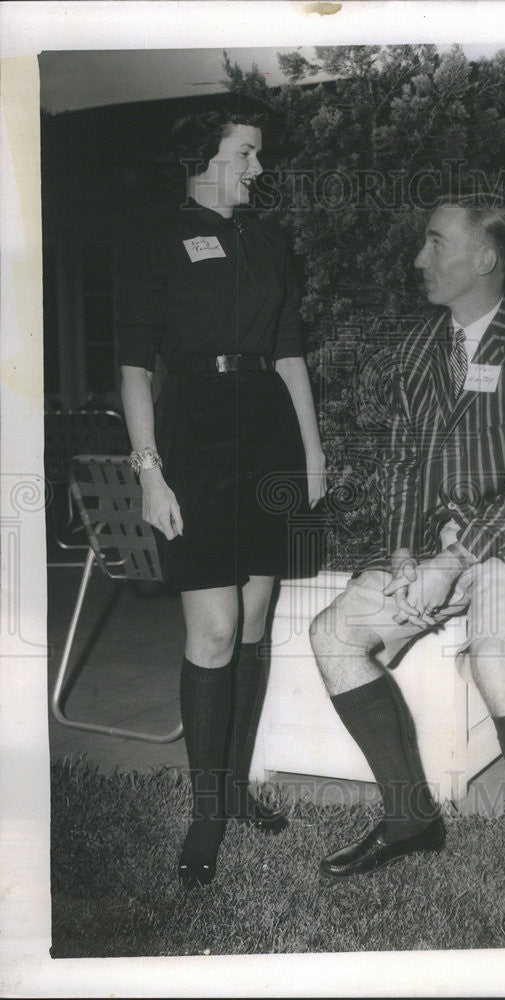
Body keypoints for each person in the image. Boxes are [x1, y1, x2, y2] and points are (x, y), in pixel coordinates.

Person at [309, 195, 505, 948]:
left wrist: (455, 559)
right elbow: (404, 466)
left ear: (486, 259)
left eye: (436, 244)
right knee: (333, 633)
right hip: (434, 550)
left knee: (497, 658)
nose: (418, 260)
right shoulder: (420, 348)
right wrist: (405, 555)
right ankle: (409, 820)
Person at [117, 104, 327, 888]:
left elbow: (290, 350)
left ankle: (237, 793)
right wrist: (148, 470)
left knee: (256, 620)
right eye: (246, 154)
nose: (258, 169)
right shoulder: (153, 236)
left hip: (267, 429)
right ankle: (206, 812)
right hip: (194, 436)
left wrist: (311, 450)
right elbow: (136, 365)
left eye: (258, 155)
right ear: (204, 157)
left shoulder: (268, 240)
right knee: (213, 629)